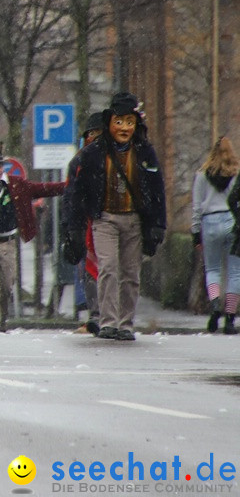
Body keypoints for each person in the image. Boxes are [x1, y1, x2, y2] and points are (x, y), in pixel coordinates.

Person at [67, 92, 166, 342]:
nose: (124, 128)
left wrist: (157, 224)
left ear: (136, 124)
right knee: (108, 268)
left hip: (134, 220)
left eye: (129, 122)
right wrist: (74, 228)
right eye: (119, 122)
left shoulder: (145, 153)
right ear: (110, 123)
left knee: (131, 273)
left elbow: (156, 189)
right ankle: (108, 321)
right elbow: (78, 191)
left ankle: (126, 323)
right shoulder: (93, 154)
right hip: (105, 219)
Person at [0, 145, 65, 333]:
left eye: (0, 166)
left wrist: (68, 185)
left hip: (8, 241)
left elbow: (43, 188)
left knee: (7, 284)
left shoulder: (16, 184)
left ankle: (2, 318)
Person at [61, 111, 106, 335]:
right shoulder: (79, 161)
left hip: (108, 218)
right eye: (92, 134)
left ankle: (110, 314)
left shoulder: (116, 157)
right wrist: (71, 227)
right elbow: (71, 195)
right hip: (88, 222)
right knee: (90, 269)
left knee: (110, 268)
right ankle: (97, 314)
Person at [197, 138, 240, 334]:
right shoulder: (236, 174)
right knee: (235, 272)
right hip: (232, 220)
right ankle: (230, 317)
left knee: (212, 269)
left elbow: (196, 206)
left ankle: (215, 304)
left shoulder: (202, 175)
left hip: (210, 222)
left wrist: (195, 232)